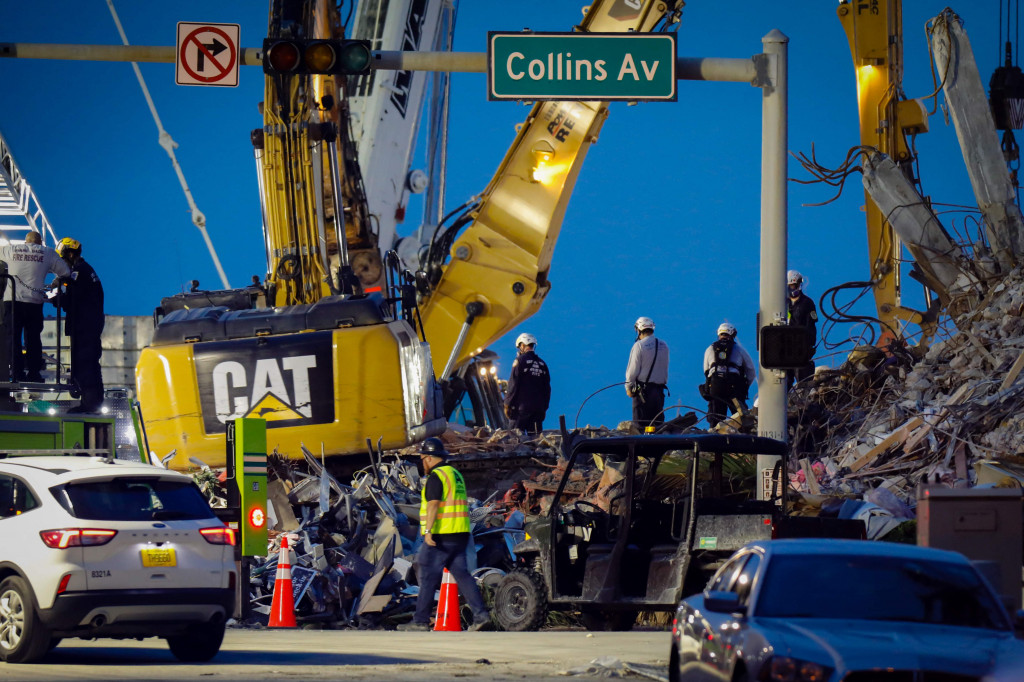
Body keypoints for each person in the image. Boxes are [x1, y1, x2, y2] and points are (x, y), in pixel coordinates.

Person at [398, 437, 491, 632]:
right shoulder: (455, 474)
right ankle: (481, 615)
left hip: (442, 534)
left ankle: (420, 621)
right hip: (460, 532)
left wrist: (429, 531)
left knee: (427, 573)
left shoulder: (436, 476)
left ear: (430, 458)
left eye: (423, 458)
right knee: (462, 575)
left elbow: (433, 504)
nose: (422, 463)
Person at [0, 231, 70, 383]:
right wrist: (57, 281)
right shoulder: (47, 253)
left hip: (13, 302)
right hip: (34, 303)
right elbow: (65, 272)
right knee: (33, 340)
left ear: (26, 242)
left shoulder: (10, 250)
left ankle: (16, 373)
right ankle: (34, 374)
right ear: (40, 242)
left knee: (13, 339)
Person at [54, 237, 104, 413]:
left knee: (84, 364)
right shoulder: (85, 270)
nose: (62, 262)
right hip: (89, 325)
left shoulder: (79, 272)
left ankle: (90, 404)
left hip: (84, 326)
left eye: (63, 258)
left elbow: (72, 301)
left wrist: (56, 298)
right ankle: (92, 403)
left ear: (69, 253)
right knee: (90, 363)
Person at [702, 322, 756, 428]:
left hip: (716, 388)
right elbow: (751, 371)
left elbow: (706, 371)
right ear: (732, 334)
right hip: (734, 388)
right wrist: (744, 387)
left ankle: (714, 439)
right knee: (741, 420)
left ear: (719, 333)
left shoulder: (709, 349)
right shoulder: (739, 349)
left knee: (716, 420)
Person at [625, 316, 669, 430]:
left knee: (640, 428)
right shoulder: (664, 345)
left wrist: (629, 388)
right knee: (657, 428)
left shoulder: (639, 346)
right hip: (659, 393)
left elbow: (632, 371)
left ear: (639, 330)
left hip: (643, 393)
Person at [504, 332, 551, 432]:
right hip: (538, 411)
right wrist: (544, 408)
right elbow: (547, 389)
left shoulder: (519, 361)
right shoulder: (543, 364)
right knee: (535, 442)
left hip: (521, 410)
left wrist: (507, 404)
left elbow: (513, 384)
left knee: (513, 440)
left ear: (522, 345)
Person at [786, 269, 818, 388]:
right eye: (790, 286)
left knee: (804, 381)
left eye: (795, 285)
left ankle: (805, 403)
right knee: (785, 381)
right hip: (785, 348)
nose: (793, 288)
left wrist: (809, 345)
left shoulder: (807, 303)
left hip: (801, 347)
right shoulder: (782, 304)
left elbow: (811, 325)